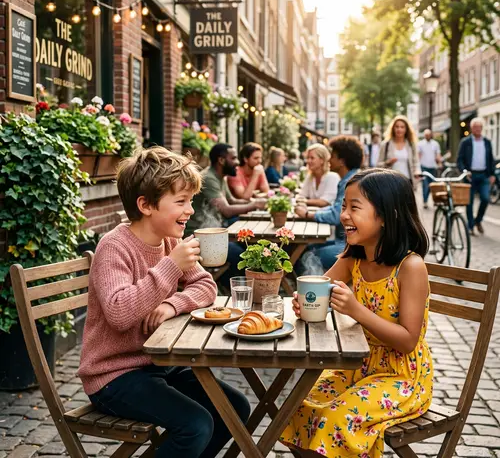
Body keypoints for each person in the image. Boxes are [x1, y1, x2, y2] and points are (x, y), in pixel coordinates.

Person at [78, 147, 251, 458]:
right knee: (196, 424)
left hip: (157, 366)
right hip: (113, 376)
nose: (190, 210)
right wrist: (171, 266)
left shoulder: (170, 240)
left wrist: (172, 305)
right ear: (145, 205)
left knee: (235, 408)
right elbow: (118, 312)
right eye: (181, 201)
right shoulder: (114, 247)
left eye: (191, 200)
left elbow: (205, 286)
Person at [281, 169, 433, 458]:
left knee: (336, 419)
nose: (344, 215)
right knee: (298, 407)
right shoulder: (354, 255)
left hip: (401, 378)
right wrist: (307, 303)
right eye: (343, 206)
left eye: (354, 207)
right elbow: (319, 289)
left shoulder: (410, 267)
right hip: (358, 365)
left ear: (387, 214)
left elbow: (407, 341)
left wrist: (355, 309)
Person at [186, 143, 267, 283]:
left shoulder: (220, 177)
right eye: (234, 158)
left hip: (214, 231)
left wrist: (256, 202)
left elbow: (232, 201)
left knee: (247, 244)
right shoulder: (209, 178)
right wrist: (254, 205)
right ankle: (226, 285)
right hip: (200, 236)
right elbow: (227, 210)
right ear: (221, 160)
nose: (237, 162)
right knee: (242, 255)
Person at [295, 136, 364, 271]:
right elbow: (335, 208)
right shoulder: (350, 179)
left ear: (342, 161)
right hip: (346, 241)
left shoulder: (352, 183)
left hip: (352, 245)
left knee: (309, 255)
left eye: (332, 156)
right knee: (305, 249)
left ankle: (316, 291)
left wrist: (308, 214)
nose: (329, 159)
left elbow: (336, 215)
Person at [457, 117, 496, 236]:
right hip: (470, 176)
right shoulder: (465, 142)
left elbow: (491, 159)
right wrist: (464, 171)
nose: (477, 129)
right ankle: (470, 226)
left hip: (484, 175)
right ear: (471, 128)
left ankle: (478, 221)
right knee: (469, 202)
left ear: (482, 128)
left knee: (485, 198)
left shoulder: (487, 142)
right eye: (475, 127)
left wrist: (492, 174)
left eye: (479, 127)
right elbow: (460, 160)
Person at [378, 115, 421, 187]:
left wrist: (417, 172)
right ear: (393, 128)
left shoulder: (411, 145)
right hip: (390, 182)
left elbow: (416, 162)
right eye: (397, 126)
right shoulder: (385, 145)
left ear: (406, 129)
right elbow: (378, 165)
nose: (399, 129)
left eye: (402, 127)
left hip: (407, 182)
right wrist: (387, 163)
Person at [418, 128, 442, 209]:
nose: (427, 136)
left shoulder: (435, 144)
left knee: (433, 185)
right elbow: (419, 155)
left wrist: (439, 163)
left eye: (429, 134)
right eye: (426, 135)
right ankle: (425, 201)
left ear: (431, 135)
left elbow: (438, 154)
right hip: (424, 167)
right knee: (425, 185)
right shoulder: (420, 144)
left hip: (433, 167)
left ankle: (435, 201)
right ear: (424, 135)